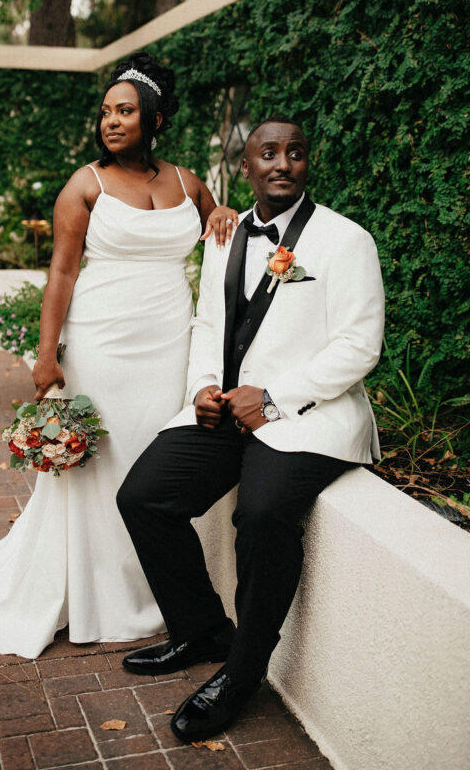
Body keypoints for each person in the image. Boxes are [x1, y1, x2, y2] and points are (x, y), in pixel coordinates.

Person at [0, 52, 238, 659]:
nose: (110, 121)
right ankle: (98, 594)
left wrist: (224, 212)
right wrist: (46, 356)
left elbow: (216, 222)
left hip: (168, 345)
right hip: (102, 343)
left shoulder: (188, 181)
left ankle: (153, 589)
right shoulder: (85, 184)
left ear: (154, 119)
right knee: (103, 466)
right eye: (105, 112)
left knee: (148, 462)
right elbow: (61, 272)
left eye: (125, 111)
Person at [117, 116, 385, 742]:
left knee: (262, 516)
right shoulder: (224, 234)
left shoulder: (347, 241)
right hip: (226, 411)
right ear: (247, 167)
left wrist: (274, 396)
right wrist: (203, 389)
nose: (283, 163)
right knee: (144, 496)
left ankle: (241, 674)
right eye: (269, 153)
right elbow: (208, 321)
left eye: (295, 152)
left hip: (306, 418)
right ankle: (201, 628)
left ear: (306, 162)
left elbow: (360, 345)